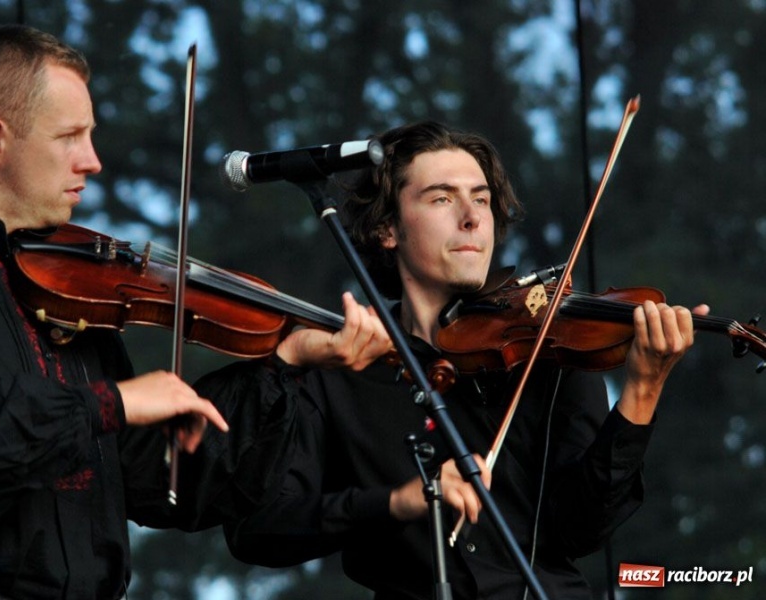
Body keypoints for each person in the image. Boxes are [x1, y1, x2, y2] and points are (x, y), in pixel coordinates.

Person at [0, 24, 389, 600]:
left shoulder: (74, 282)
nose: (92, 161)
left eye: (91, 135)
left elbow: (149, 482)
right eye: (70, 136)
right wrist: (111, 402)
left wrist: (284, 361)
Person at [213, 120, 709, 599]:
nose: (472, 218)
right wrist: (396, 502)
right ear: (387, 229)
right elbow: (259, 529)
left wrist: (643, 390)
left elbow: (581, 530)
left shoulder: (547, 348)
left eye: (482, 199)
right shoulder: (337, 373)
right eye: (442, 198)